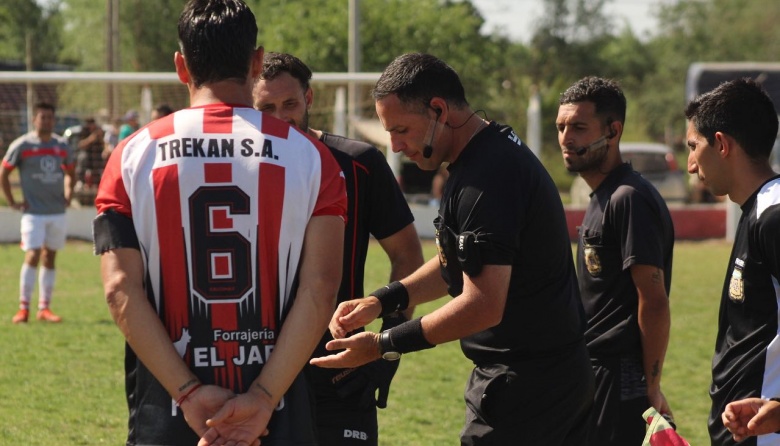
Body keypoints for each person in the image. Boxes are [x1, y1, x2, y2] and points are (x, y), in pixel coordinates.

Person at [92, 1, 347, 445]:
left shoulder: (131, 155)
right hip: (275, 409)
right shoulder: (311, 158)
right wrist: (264, 396)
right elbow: (321, 287)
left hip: (171, 408)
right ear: (256, 61)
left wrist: (189, 393)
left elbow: (119, 289)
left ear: (180, 66)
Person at [311, 52, 595, 445]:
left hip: (530, 386)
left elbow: (483, 303)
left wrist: (382, 345)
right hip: (542, 377)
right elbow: (456, 265)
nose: (394, 146)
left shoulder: (489, 175)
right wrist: (383, 299)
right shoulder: (478, 160)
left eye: (401, 130)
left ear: (438, 110)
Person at [253, 52, 425, 446]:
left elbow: (407, 256)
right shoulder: (236, 168)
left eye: (290, 104)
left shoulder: (359, 163)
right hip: (257, 366)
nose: (281, 118)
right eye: (266, 108)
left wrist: (387, 349)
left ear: (309, 99)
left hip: (339, 365)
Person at [556, 77, 675, 445]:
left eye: (578, 127)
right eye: (560, 127)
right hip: (594, 371)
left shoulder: (629, 198)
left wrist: (651, 386)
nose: (565, 138)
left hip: (620, 376)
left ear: (613, 130)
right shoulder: (602, 195)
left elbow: (653, 300)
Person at [685, 78, 780, 446]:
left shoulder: (773, 217)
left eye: (694, 147)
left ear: (721, 144)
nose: (691, 165)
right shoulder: (756, 210)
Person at [0, 102, 75, 324]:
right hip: (33, 213)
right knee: (32, 254)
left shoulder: (61, 145)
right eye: (42, 117)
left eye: (50, 118)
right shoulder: (22, 145)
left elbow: (71, 172)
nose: (46, 121)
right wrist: (13, 201)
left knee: (50, 257)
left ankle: (45, 308)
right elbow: (4, 173)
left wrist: (69, 194)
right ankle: (24, 308)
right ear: (34, 119)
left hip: (57, 212)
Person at [74, 117, 106, 205]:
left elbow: (104, 145)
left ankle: (99, 182)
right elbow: (80, 145)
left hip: (97, 157)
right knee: (82, 157)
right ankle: (80, 182)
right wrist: (91, 138)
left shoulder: (99, 131)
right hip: (87, 156)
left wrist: (100, 138)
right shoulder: (83, 131)